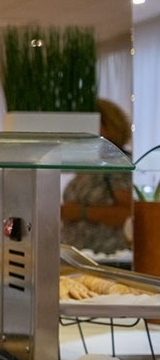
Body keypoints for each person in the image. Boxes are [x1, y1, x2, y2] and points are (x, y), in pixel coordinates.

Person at [60, 99, 133, 255]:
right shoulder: (90, 162)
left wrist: (81, 212)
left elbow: (129, 215)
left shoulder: (117, 162)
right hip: (81, 258)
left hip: (107, 258)